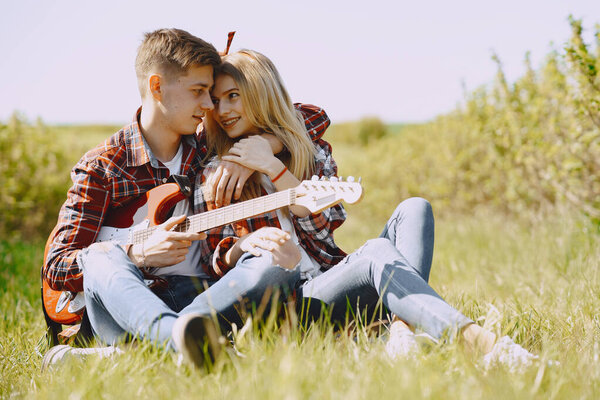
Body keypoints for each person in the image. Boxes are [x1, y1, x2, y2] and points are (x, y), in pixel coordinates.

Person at [200, 49, 538, 370]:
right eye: (216, 101)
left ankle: (401, 331)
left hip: (332, 285)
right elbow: (214, 256)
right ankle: (486, 347)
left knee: (414, 208)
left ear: (261, 95)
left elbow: (321, 224)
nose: (223, 109)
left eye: (234, 96)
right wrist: (248, 244)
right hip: (292, 306)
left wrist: (273, 166)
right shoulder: (216, 173)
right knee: (377, 250)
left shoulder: (309, 152)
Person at [42, 28, 331, 369]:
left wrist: (264, 145)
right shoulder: (104, 166)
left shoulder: (205, 147)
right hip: (126, 302)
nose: (210, 106)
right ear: (157, 87)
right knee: (101, 257)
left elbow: (309, 116)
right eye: (199, 92)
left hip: (204, 298)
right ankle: (178, 340)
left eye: (212, 93)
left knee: (276, 264)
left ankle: (144, 355)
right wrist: (136, 253)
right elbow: (57, 266)